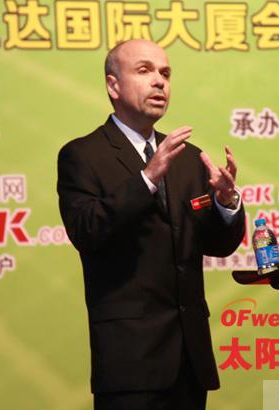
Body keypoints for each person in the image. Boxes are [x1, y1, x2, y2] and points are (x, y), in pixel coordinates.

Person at [57, 39, 245, 410]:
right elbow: (86, 231)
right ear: (113, 85)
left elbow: (217, 244)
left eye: (166, 73)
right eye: (144, 70)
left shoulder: (187, 158)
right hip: (130, 360)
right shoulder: (83, 155)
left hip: (190, 361)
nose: (159, 81)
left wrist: (226, 203)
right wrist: (147, 178)